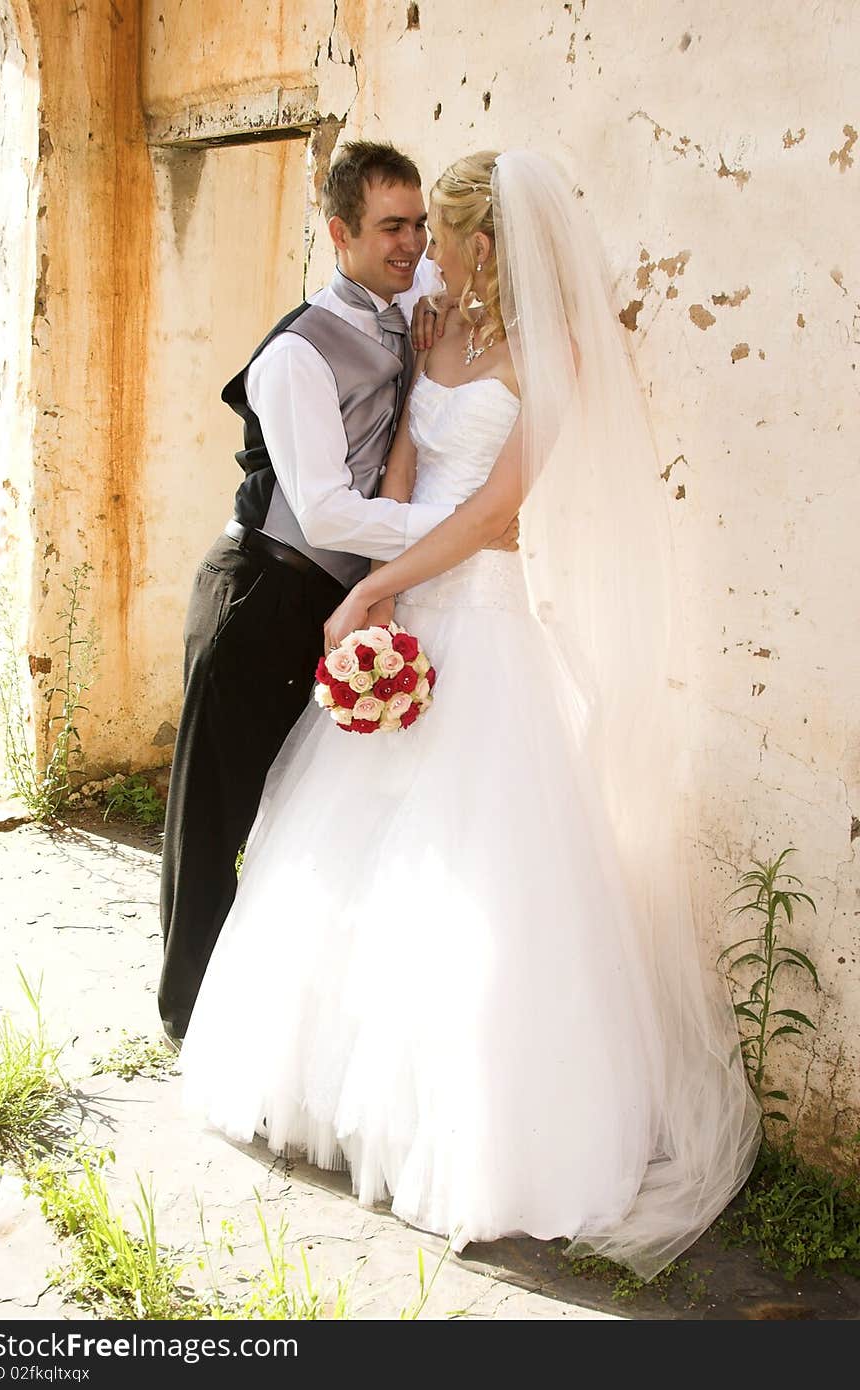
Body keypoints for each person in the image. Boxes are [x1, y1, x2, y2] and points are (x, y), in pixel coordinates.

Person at [179, 149, 760, 1278]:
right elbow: (401, 472)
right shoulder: (434, 332)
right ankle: (355, 1104)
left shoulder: (558, 354)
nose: (424, 253)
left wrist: (367, 586)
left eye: (438, 233)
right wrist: (382, 606)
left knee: (477, 874)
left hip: (485, 622)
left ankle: (483, 1141)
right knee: (365, 858)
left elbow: (498, 511)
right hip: (411, 609)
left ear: (481, 242)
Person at [157, 141, 514, 1046]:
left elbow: (472, 272)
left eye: (422, 225)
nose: (412, 243)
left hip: (346, 606)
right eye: (392, 226)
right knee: (215, 823)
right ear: (340, 233)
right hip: (262, 596)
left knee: (298, 814)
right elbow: (324, 510)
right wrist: (461, 527)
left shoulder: (413, 308)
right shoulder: (296, 354)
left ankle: (281, 1017)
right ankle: (187, 1020)